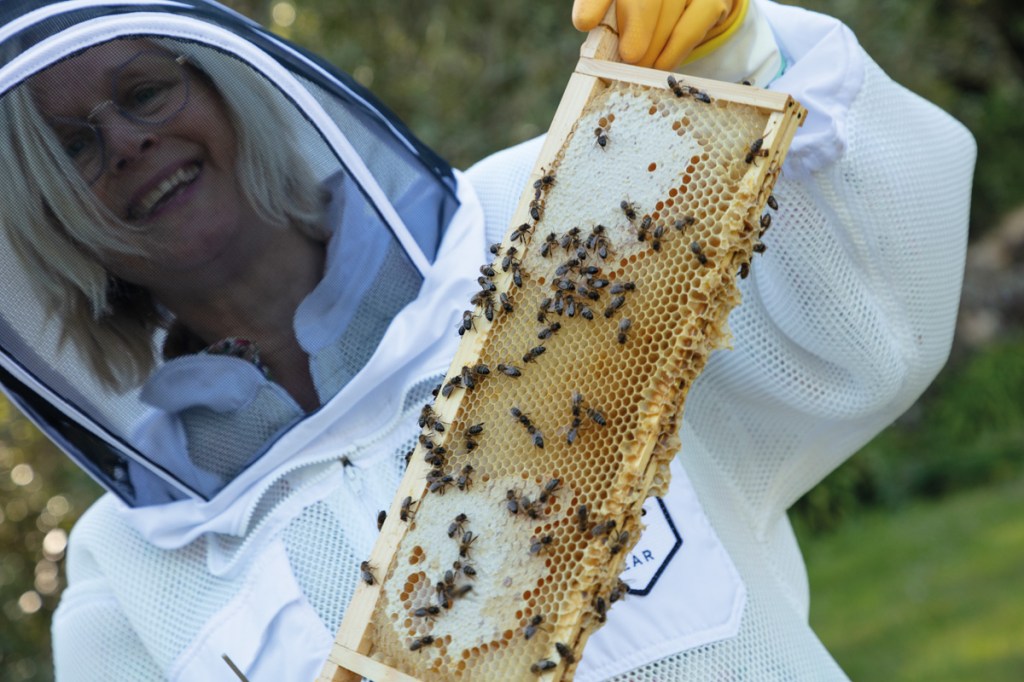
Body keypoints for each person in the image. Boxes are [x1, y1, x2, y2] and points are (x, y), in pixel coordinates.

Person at [0, 0, 974, 680]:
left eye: (144, 93)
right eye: (75, 148)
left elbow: (869, 316)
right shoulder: (125, 575)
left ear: (227, 88)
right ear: (53, 215)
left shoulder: (548, 225)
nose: (124, 143)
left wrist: (742, 67)